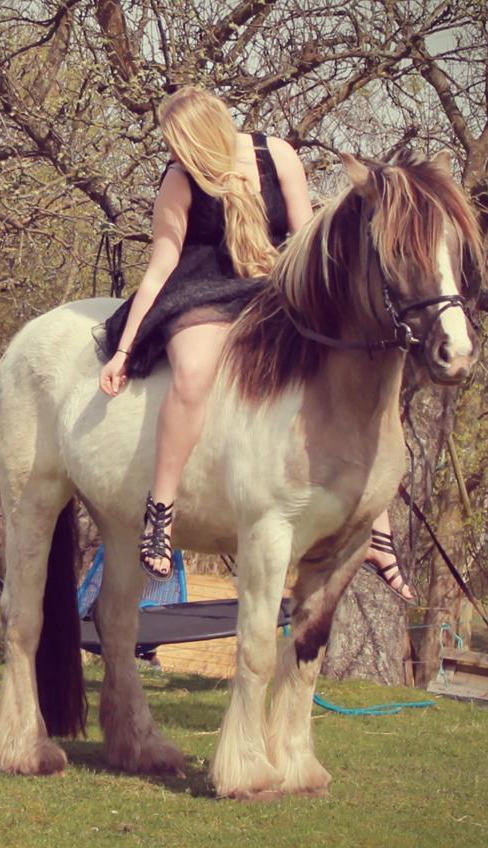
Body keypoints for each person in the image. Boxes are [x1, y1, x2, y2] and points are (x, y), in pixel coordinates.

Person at [95, 87, 415, 604]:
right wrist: (124, 350)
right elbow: (161, 264)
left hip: (271, 284)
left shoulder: (276, 154)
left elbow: (306, 235)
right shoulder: (179, 179)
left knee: (349, 373)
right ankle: (161, 511)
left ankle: (377, 527)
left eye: (180, 142)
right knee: (195, 372)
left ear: (203, 132)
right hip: (200, 287)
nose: (175, 154)